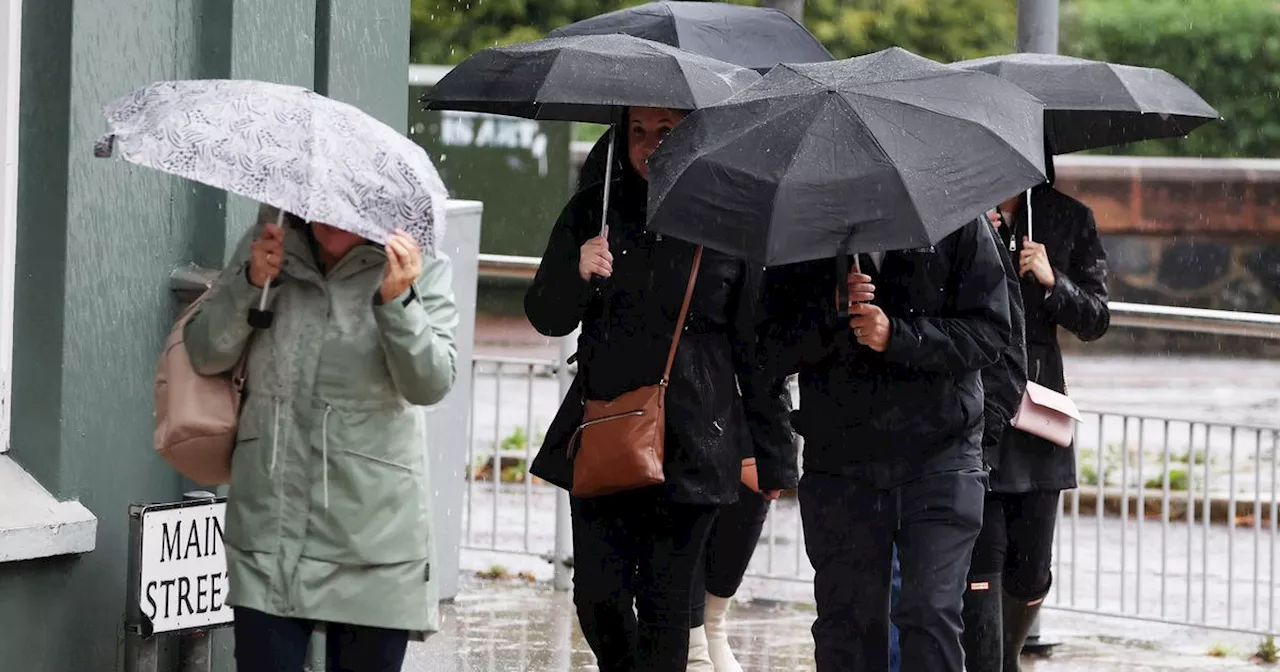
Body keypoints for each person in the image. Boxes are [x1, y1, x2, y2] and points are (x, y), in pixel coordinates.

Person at [526, 107, 798, 672]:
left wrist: (773, 456)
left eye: (666, 132)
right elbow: (547, 317)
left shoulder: (728, 222)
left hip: (698, 441)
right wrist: (575, 271)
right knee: (597, 596)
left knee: (666, 603)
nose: (649, 146)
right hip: (608, 430)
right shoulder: (593, 212)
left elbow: (756, 351)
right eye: (638, 133)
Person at [184, 205, 459, 672]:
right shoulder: (270, 243)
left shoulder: (419, 262)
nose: (330, 215)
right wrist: (248, 283)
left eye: (349, 205)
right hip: (269, 525)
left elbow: (430, 382)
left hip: (374, 539)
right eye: (321, 202)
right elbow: (205, 351)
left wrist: (399, 302)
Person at [759, 218, 1012, 671]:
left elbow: (991, 333)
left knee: (930, 614)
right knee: (848, 626)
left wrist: (898, 335)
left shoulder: (957, 221)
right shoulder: (805, 233)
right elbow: (766, 347)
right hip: (842, 460)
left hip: (941, 455)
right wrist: (831, 309)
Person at [964, 177, 1109, 672]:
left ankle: (1005, 657)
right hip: (972, 414)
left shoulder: (1067, 218)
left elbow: (1096, 318)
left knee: (1030, 571)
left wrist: (1053, 281)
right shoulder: (955, 209)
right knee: (982, 565)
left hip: (1037, 420)